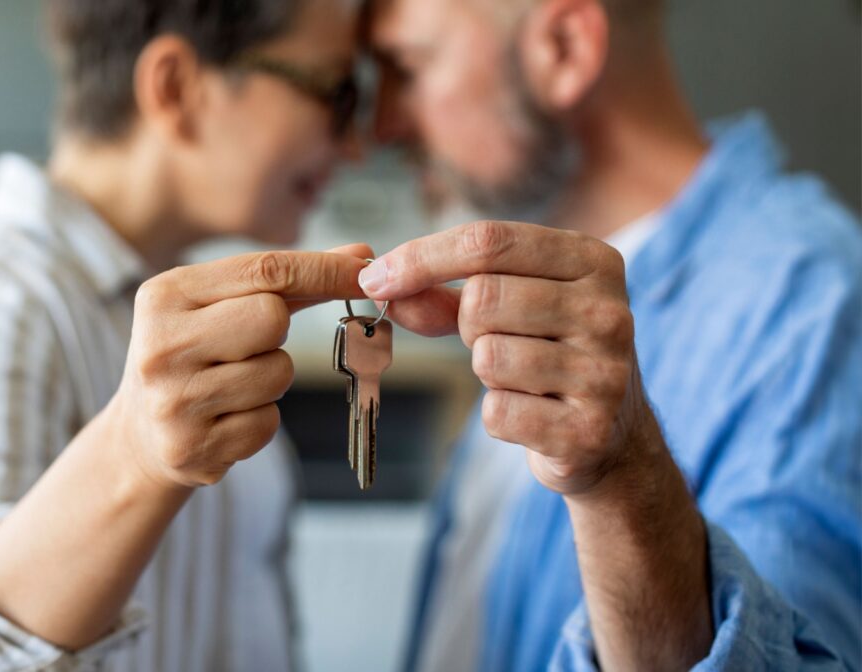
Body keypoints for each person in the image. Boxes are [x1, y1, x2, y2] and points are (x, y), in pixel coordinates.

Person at [0, 0, 370, 670]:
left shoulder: (167, 318)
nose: (355, 144)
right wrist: (131, 457)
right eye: (335, 91)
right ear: (176, 88)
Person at [362, 0, 862, 670]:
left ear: (565, 47)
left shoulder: (811, 308)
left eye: (408, 66)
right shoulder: (517, 295)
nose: (380, 125)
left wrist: (623, 483)